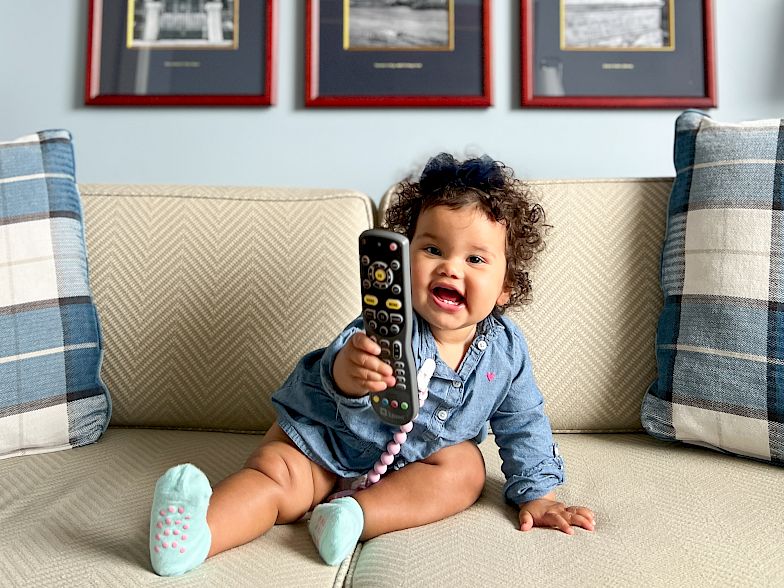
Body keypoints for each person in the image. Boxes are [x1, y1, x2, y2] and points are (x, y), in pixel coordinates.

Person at [148, 153, 595, 577]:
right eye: (433, 250)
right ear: (402, 261)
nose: (451, 269)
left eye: (475, 258)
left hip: (406, 471)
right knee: (274, 478)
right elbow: (337, 372)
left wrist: (538, 495)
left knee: (466, 468)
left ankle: (350, 517)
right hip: (321, 444)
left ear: (506, 287)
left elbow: (524, 422)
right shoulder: (386, 326)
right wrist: (351, 373)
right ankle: (195, 535)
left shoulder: (507, 351)